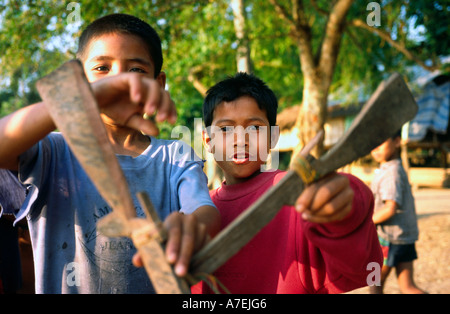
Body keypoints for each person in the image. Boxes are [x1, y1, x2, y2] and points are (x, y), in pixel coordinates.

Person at [0, 13, 220, 294]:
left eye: (136, 70)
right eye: (102, 68)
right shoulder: (52, 151)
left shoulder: (175, 156)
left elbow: (204, 211)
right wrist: (70, 103)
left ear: (159, 82)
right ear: (80, 80)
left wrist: (191, 227)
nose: (119, 81)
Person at [192, 72, 382, 294]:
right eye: (225, 129)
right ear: (208, 141)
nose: (240, 139)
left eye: (254, 128)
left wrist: (348, 209)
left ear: (273, 138)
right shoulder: (198, 210)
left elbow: (369, 271)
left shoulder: (294, 196)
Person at [369, 131, 426, 294]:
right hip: (404, 236)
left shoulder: (390, 173)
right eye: (373, 143)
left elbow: (390, 208)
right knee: (407, 287)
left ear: (396, 142)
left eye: (381, 142)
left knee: (374, 283)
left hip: (388, 239)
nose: (376, 148)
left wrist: (365, 223)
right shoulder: (393, 168)